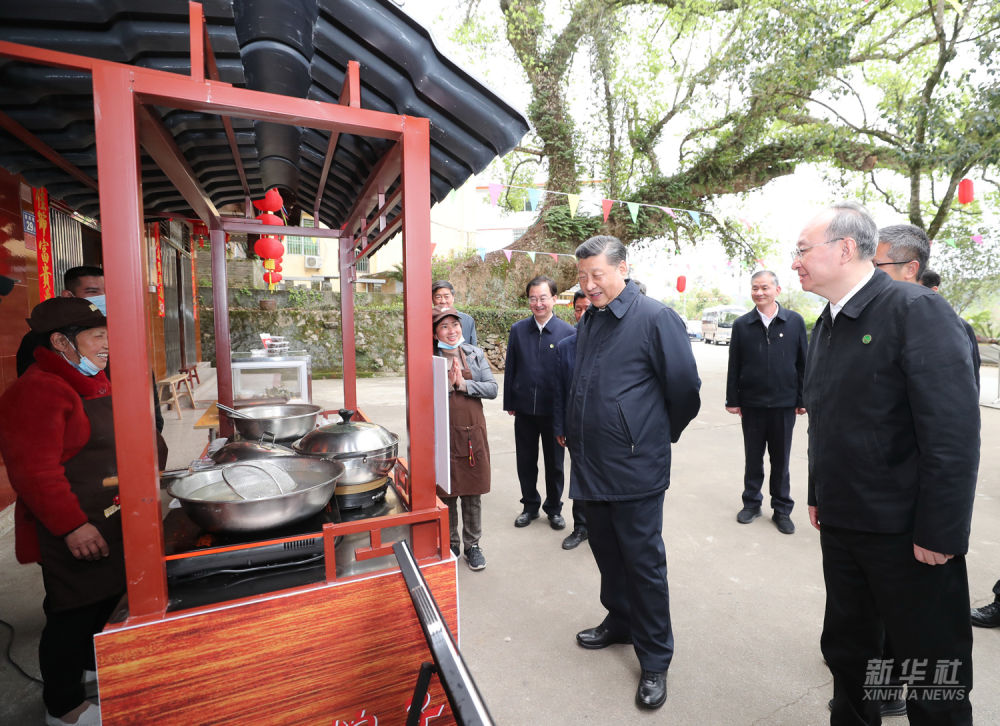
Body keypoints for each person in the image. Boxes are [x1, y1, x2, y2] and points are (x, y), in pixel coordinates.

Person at [795, 202, 979, 725]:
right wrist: (818, 492)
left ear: (844, 249)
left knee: (931, 670)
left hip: (908, 534)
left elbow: (951, 433)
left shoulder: (915, 310)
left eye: (804, 250)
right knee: (849, 651)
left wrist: (941, 532)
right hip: (844, 524)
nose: (795, 262)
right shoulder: (828, 321)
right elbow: (828, 419)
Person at [566, 236, 701, 711]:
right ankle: (620, 621)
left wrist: (650, 435)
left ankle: (656, 658)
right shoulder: (591, 319)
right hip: (591, 464)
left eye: (597, 275)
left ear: (622, 268)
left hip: (634, 467)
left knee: (643, 565)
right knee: (607, 553)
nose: (589, 285)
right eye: (582, 276)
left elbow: (685, 391)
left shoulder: (655, 317)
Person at [0, 297, 122, 726]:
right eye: (97, 336)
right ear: (61, 342)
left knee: (103, 601)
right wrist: (72, 526)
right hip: (71, 524)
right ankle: (64, 706)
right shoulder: (37, 390)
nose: (107, 345)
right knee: (72, 611)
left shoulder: (89, 381)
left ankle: (89, 668)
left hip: (106, 515)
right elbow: (35, 472)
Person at [725, 270, 807, 534]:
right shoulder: (742, 325)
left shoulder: (794, 321)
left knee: (781, 460)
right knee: (753, 458)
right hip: (752, 404)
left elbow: (803, 363)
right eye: (755, 288)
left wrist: (803, 398)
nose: (759, 293)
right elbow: (735, 364)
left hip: (784, 404)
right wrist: (733, 399)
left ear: (777, 290)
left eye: (764, 288)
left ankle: (782, 509)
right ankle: (751, 503)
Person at [503, 275, 575, 530]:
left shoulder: (568, 333)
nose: (538, 303)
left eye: (543, 298)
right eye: (533, 298)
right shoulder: (518, 330)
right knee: (525, 460)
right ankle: (530, 506)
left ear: (554, 299)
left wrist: (567, 413)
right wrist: (510, 401)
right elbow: (511, 367)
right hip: (524, 409)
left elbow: (570, 376)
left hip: (554, 412)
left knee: (555, 464)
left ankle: (554, 508)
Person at [432, 305, 497, 571]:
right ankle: (451, 543)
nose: (452, 331)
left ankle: (473, 545)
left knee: (472, 490)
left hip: (472, 430)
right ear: (435, 332)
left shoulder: (475, 353)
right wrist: (447, 385)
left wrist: (463, 384)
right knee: (447, 490)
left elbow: (492, 388)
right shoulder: (429, 358)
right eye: (444, 326)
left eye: (455, 325)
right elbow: (422, 395)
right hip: (443, 431)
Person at [876, 225, 981, 388]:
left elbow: (956, 390)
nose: (868, 273)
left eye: (876, 265)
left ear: (911, 269)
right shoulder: (873, 314)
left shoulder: (942, 324)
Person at [552, 290, 591, 550]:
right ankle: (581, 527)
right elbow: (558, 391)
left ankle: (606, 530)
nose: (583, 314)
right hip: (576, 426)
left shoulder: (615, 344)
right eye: (578, 309)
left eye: (588, 308)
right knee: (580, 476)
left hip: (608, 427)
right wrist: (560, 426)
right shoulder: (566, 347)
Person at [431, 280, 477, 345]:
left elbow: (473, 347)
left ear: (453, 297)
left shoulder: (468, 320)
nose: (443, 301)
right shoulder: (428, 321)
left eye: (446, 296)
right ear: (432, 299)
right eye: (438, 297)